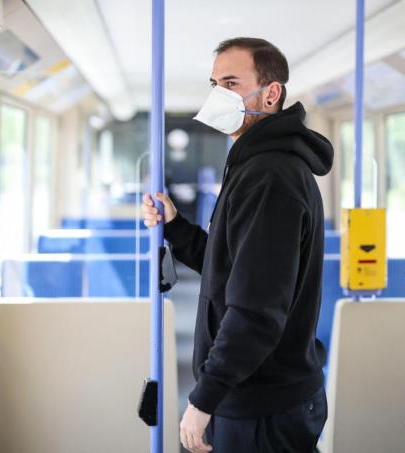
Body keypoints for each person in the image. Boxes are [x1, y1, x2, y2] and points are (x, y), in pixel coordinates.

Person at [142, 37, 334, 453]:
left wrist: (204, 398)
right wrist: (175, 228)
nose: (218, 95)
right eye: (214, 83)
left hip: (261, 402)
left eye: (231, 83)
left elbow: (256, 310)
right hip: (264, 393)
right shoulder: (254, 164)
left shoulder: (270, 176)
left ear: (271, 93)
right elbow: (230, 269)